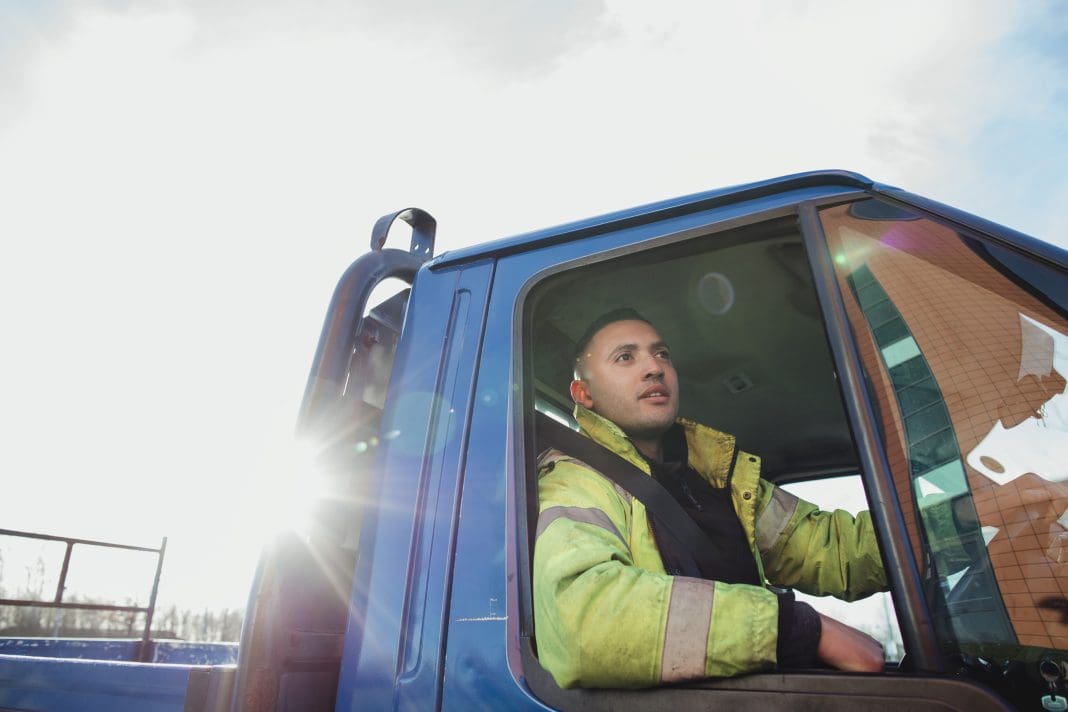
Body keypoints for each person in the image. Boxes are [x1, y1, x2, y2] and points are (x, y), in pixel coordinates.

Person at [532, 308, 888, 689]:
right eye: (626, 357)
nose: (654, 367)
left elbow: (833, 551)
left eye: (662, 354)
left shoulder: (720, 477)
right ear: (583, 394)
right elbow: (587, 623)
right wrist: (797, 630)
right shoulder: (574, 481)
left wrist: (942, 528)